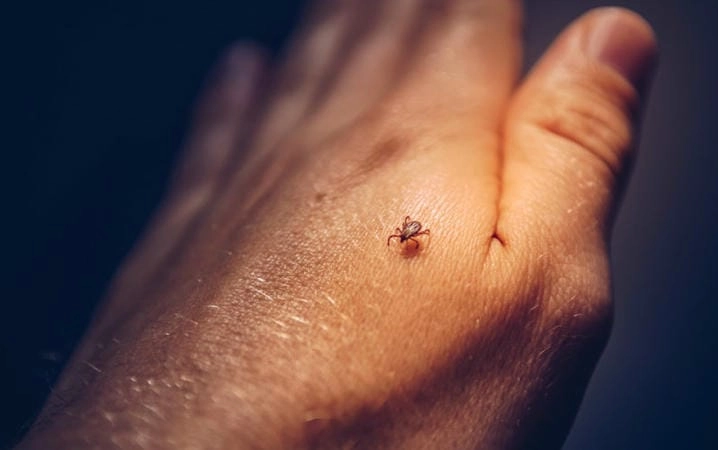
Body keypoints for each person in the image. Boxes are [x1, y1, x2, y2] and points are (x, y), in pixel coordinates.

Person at [18, 3, 657, 448]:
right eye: (408, 236)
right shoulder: (410, 233)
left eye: (410, 236)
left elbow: (410, 233)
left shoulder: (407, 234)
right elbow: (412, 232)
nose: (409, 236)